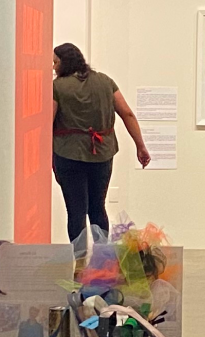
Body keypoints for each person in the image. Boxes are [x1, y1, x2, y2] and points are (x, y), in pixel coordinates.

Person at [51, 42, 149, 242]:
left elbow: (47, 122)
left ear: (64, 62)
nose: (53, 67)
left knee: (76, 211)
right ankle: (102, 259)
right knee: (98, 207)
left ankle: (79, 265)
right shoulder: (105, 81)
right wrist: (140, 146)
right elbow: (127, 114)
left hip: (68, 155)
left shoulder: (57, 87)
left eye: (55, 62)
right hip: (103, 153)